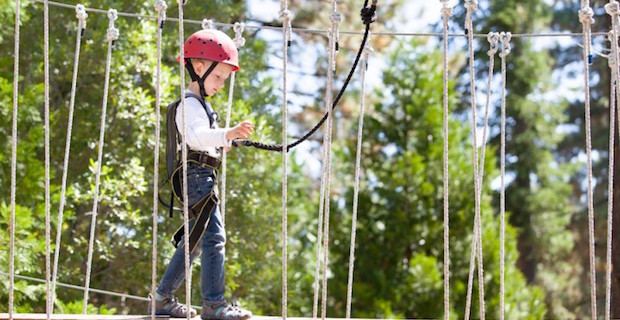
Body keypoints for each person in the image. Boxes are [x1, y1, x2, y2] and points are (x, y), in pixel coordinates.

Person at [147, 28, 254, 320]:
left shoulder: (200, 106)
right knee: (213, 239)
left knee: (194, 241)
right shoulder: (189, 104)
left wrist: (223, 143)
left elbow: (203, 140)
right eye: (218, 76)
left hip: (200, 176)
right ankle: (214, 304)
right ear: (198, 68)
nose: (220, 84)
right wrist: (225, 134)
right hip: (195, 178)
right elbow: (197, 137)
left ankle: (162, 298)